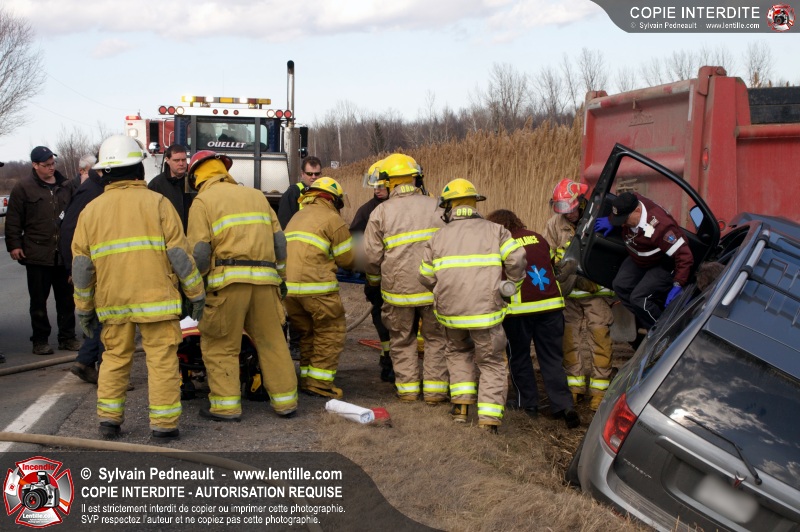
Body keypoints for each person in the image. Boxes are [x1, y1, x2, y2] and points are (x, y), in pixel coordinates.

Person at [71, 135, 205, 440]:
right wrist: (196, 293)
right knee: (161, 360)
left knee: (114, 357)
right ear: (139, 169)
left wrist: (84, 309)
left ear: (104, 172)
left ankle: (109, 421)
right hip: (158, 300)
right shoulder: (158, 203)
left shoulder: (90, 211)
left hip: (113, 301)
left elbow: (82, 268)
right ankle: (164, 425)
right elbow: (179, 255)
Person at [186, 150, 298, 421]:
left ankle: (226, 407)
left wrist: (196, 288)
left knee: (221, 345)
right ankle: (286, 403)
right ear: (224, 170)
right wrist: (281, 277)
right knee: (272, 342)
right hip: (265, 283)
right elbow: (280, 243)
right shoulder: (257, 196)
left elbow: (200, 252)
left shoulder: (203, 201)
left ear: (196, 178)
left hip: (226, 285)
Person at [419, 179, 526, 433]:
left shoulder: (437, 237)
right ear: (474, 203)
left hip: (451, 313)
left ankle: (461, 408)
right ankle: (488, 420)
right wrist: (511, 286)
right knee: (491, 361)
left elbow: (424, 275)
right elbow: (517, 259)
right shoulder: (496, 231)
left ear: (449, 207)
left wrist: (444, 291)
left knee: (457, 353)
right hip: (486, 312)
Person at [363, 154, 449, 405]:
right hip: (433, 289)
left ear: (389, 182)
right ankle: (435, 393)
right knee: (436, 339)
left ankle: (408, 391)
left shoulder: (381, 212)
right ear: (415, 178)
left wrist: (374, 281)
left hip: (397, 292)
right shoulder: (437, 206)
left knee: (401, 340)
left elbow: (371, 256)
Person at [487, 209, 579, 429]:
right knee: (552, 358)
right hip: (551, 306)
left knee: (519, 357)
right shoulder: (537, 237)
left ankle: (527, 403)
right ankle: (564, 405)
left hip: (519, 311)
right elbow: (551, 264)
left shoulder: (501, 242)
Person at [543, 179, 614, 411]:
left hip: (596, 294)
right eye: (562, 209)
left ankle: (599, 391)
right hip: (569, 292)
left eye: (570, 208)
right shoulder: (554, 225)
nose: (568, 213)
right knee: (569, 341)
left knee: (600, 340)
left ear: (580, 202)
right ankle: (574, 388)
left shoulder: (596, 219)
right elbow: (548, 255)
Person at [284, 177, 355, 399]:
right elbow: (347, 260)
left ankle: (307, 377)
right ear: (333, 200)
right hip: (317, 289)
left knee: (307, 334)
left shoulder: (297, 216)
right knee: (330, 332)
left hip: (289, 292)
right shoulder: (332, 219)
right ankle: (319, 383)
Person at [5, 146, 80, 355]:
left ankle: (67, 337)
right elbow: (13, 219)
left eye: (52, 164)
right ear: (35, 165)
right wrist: (14, 244)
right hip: (37, 254)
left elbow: (75, 214)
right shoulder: (23, 188)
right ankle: (40, 340)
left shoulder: (66, 186)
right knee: (38, 301)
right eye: (46, 165)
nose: (51, 168)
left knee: (66, 300)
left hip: (63, 255)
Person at [594, 191, 693, 330]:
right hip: (642, 258)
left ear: (638, 211)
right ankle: (647, 319)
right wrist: (611, 220)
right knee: (620, 286)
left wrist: (678, 283)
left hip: (663, 263)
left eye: (624, 220)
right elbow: (625, 204)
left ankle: (663, 331)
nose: (622, 225)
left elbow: (684, 256)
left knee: (639, 299)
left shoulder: (662, 228)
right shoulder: (632, 202)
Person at [60, 160, 107, 384]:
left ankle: (85, 361)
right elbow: (69, 229)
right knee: (106, 319)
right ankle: (105, 372)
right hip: (90, 266)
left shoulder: (97, 188)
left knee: (101, 318)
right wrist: (73, 268)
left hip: (96, 264)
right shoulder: (91, 192)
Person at [349, 159, 394, 382]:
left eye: (382, 186)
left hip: (400, 276)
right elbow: (355, 241)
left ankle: (395, 361)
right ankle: (388, 361)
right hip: (378, 277)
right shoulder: (367, 210)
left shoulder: (401, 208)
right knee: (381, 316)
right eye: (375, 186)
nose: (377, 190)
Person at [148, 144, 192, 231]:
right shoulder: (156, 185)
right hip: (169, 235)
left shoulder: (193, 180)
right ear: (167, 160)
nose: (181, 164)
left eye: (183, 160)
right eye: (176, 160)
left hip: (192, 233)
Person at [277, 155, 322, 229]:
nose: (313, 177)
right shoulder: (293, 193)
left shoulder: (325, 193)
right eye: (309, 174)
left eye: (316, 174)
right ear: (302, 174)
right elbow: (284, 222)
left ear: (321, 174)